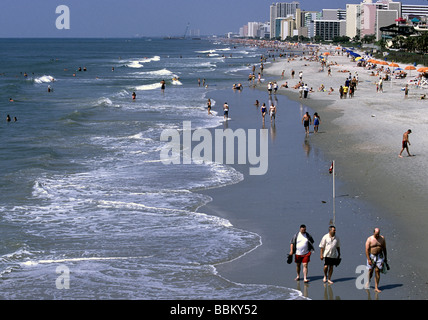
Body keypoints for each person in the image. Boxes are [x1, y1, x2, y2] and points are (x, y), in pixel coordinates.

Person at [365, 228, 388, 292]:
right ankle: (368, 281)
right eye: (376, 234)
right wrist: (368, 259)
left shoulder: (382, 238)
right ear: (373, 233)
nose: (377, 235)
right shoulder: (369, 239)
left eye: (378, 234)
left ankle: (376, 287)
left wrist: (386, 258)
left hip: (379, 256)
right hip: (372, 256)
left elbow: (384, 248)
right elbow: (366, 250)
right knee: (370, 270)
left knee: (377, 271)